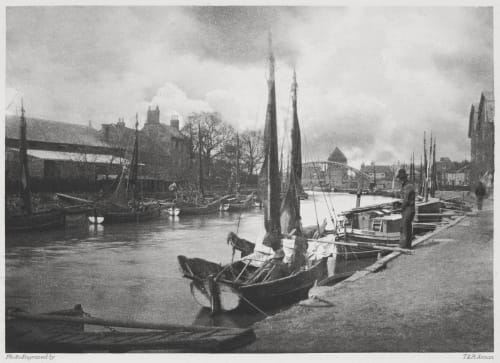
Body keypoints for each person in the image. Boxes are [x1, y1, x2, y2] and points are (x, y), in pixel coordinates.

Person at [395, 168, 415, 249]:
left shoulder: (408, 186)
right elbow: (403, 198)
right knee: (406, 227)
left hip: (409, 209)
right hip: (406, 209)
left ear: (403, 178)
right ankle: (407, 245)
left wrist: (400, 208)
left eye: (400, 178)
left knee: (405, 227)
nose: (399, 180)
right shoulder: (404, 185)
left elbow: (406, 200)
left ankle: (405, 246)